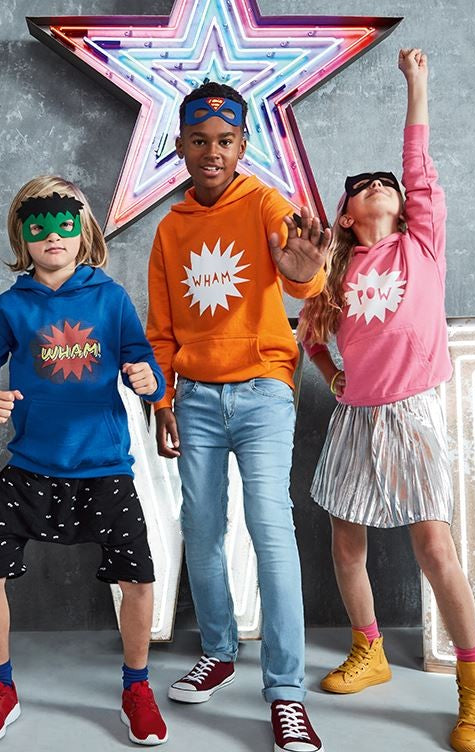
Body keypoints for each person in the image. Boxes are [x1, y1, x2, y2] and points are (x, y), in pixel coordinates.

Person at [299, 49, 475, 752]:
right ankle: (370, 648)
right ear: (347, 215)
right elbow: (310, 337)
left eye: (387, 183)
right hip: (356, 415)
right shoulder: (336, 274)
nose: (381, 187)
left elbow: (418, 167)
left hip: (412, 409)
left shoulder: (422, 245)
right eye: (364, 187)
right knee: (344, 541)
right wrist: (332, 374)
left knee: (433, 544)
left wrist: (418, 83)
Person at [146, 81, 330, 752]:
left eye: (225, 141)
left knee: (269, 527)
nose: (212, 152)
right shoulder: (170, 230)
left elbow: (304, 274)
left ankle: (286, 693)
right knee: (200, 527)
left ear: (243, 144)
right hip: (194, 396)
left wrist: (305, 274)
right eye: (199, 141)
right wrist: (162, 401)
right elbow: (160, 328)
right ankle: (219, 649)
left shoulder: (264, 204)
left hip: (262, 392)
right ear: (180, 146)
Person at [0, 175, 168, 746]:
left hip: (104, 467)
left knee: (138, 578)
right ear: (23, 236)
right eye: (39, 227)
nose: (53, 236)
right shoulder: (8, 308)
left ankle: (137, 687)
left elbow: (144, 361)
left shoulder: (111, 299)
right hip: (31, 467)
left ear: (82, 232)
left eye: (64, 224)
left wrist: (149, 381)